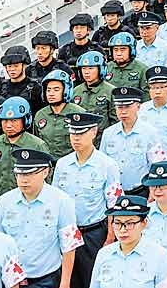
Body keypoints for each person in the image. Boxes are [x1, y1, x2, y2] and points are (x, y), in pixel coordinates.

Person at [0, 149, 82, 288]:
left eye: (30, 174)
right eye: (19, 174)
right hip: (10, 281)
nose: (24, 179)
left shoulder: (61, 201)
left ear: (45, 172)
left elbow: (69, 245)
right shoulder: (5, 201)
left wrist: (65, 282)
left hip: (46, 279)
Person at [53, 112, 123, 288]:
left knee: (94, 280)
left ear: (93, 132)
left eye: (81, 133)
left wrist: (110, 237)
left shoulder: (107, 165)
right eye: (73, 133)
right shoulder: (62, 164)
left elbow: (114, 205)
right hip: (67, 234)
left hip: (94, 233)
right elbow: (55, 202)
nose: (76, 138)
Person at [90, 195, 167, 288]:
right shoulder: (104, 254)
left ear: (144, 223)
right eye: (117, 223)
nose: (122, 230)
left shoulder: (158, 255)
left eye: (129, 223)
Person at [101, 87, 167, 199]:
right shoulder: (108, 133)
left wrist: (153, 192)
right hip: (113, 194)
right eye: (119, 107)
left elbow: (157, 165)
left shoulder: (150, 132)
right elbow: (103, 165)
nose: (123, 111)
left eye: (127, 107)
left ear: (138, 107)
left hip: (141, 191)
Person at [0, 97, 49, 182]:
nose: (8, 125)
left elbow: (46, 177)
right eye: (5, 120)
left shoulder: (37, 145)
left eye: (14, 120)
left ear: (25, 120)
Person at [34, 71, 87, 158]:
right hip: (47, 163)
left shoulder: (79, 113)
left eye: (56, 90)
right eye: (48, 90)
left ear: (66, 90)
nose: (51, 94)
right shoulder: (40, 115)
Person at [71, 52, 118, 132]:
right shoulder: (75, 91)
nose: (86, 72)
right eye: (84, 68)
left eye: (91, 68)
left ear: (101, 69)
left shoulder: (111, 91)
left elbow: (116, 121)